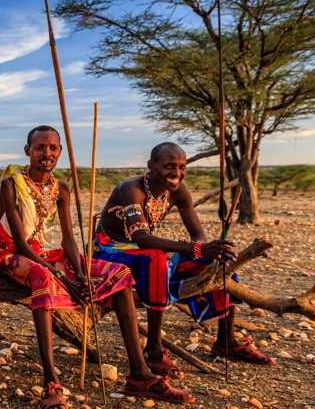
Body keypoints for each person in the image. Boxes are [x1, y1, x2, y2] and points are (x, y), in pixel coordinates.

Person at [0, 127, 193, 409]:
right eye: (40, 147)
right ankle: (51, 382)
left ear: (60, 152)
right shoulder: (11, 185)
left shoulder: (60, 187)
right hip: (11, 253)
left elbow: (68, 239)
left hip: (45, 250)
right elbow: (18, 242)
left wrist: (81, 275)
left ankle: (140, 374)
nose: (47, 153)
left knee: (117, 274)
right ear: (27, 150)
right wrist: (65, 278)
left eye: (53, 148)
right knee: (44, 277)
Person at [93, 142, 275, 381]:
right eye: (169, 166)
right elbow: (142, 238)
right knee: (156, 258)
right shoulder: (132, 188)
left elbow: (197, 235)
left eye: (181, 167)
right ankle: (154, 349)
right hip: (110, 251)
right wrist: (196, 248)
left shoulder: (178, 191)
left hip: (142, 250)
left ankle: (226, 341)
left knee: (219, 263)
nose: (176, 173)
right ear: (151, 166)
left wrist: (202, 250)